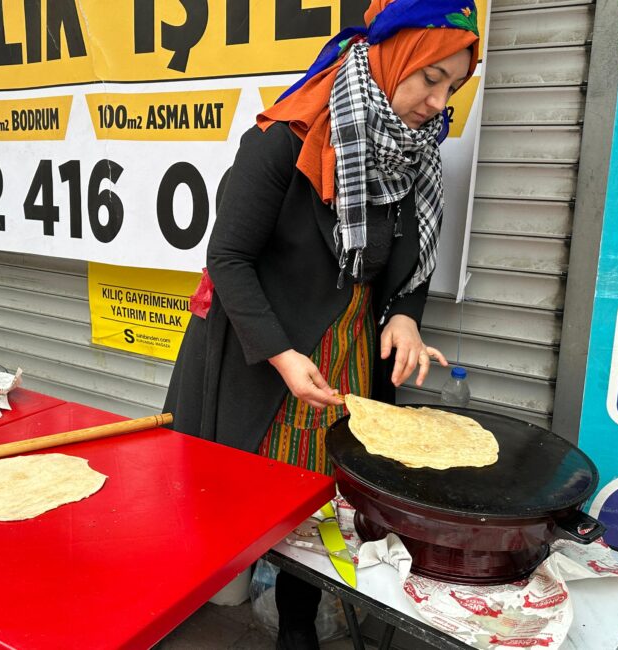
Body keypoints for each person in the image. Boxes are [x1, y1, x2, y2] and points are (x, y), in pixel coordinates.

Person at [165, 0, 480, 646]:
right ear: (397, 56)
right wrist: (280, 355)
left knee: (323, 495)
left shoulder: (418, 157)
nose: (437, 100)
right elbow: (227, 258)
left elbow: (409, 269)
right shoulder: (286, 137)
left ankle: (298, 622)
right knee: (253, 500)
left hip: (348, 355)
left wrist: (401, 320)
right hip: (269, 356)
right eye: (430, 77)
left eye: (453, 84)